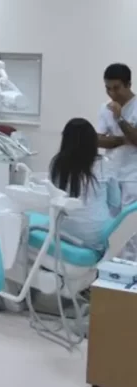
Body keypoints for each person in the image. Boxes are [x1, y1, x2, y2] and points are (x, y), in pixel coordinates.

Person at [51, 118, 118, 250]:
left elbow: (53, 198)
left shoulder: (57, 164)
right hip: (96, 236)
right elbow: (115, 203)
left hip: (63, 232)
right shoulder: (105, 165)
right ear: (93, 140)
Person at [96, 63, 137, 260]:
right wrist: (122, 140)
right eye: (108, 88)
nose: (112, 93)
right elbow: (98, 139)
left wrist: (119, 120)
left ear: (129, 84)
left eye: (116, 88)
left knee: (131, 229)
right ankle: (106, 269)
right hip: (111, 175)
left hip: (133, 178)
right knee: (109, 224)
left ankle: (128, 275)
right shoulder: (104, 108)